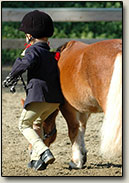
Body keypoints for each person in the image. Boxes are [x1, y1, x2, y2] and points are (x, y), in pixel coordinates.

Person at [4, 10, 64, 171]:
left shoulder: (32, 50)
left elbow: (25, 63)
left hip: (39, 98)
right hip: (54, 101)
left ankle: (44, 151)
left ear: (30, 36)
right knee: (37, 123)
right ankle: (36, 159)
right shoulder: (53, 54)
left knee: (23, 124)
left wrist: (11, 76)